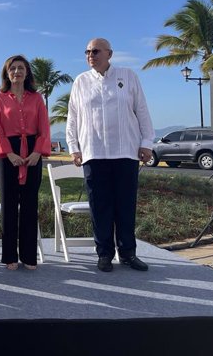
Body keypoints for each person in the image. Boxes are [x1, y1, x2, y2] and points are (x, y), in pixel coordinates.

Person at [66, 38, 154, 273]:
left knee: (125, 205)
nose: (90, 55)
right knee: (100, 206)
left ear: (109, 53)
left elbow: (142, 111)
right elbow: (72, 118)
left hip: (126, 152)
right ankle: (104, 254)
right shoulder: (81, 81)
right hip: (94, 153)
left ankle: (128, 254)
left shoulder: (128, 76)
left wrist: (147, 143)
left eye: (95, 51)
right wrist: (74, 148)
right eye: (87, 51)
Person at [0, 55, 51, 271]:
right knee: (8, 205)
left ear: (27, 72)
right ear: (7, 73)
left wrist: (37, 152)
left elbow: (44, 127)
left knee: (29, 205)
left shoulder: (37, 98)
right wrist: (9, 153)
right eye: (13, 68)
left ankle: (29, 256)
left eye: (21, 68)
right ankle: (9, 257)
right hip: (8, 156)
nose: (17, 71)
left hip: (33, 152)